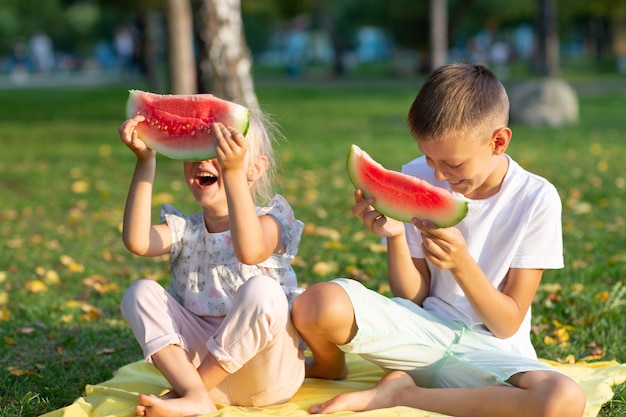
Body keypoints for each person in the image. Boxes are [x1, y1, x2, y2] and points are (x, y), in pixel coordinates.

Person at [291, 63, 586, 417]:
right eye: (429, 158)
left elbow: (506, 323)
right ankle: (331, 367)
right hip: (420, 336)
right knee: (316, 304)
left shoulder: (536, 198)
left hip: (492, 354)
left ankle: (403, 395)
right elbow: (413, 297)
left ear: (499, 141)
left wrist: (462, 264)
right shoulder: (416, 174)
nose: (438, 174)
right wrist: (397, 236)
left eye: (453, 164)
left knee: (562, 400)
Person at [118, 110, 305, 417]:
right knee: (139, 293)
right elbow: (137, 241)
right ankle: (195, 396)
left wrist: (232, 174)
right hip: (202, 374)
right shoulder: (185, 230)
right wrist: (145, 162)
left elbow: (250, 251)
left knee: (263, 291)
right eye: (197, 150)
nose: (206, 160)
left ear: (256, 168)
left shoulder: (272, 222)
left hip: (268, 378)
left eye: (222, 151)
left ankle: (190, 392)